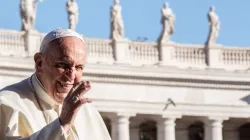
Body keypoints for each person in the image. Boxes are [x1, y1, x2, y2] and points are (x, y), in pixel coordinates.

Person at [0, 28, 111, 140]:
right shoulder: (6, 103)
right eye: (63, 65)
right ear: (39, 63)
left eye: (78, 67)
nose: (71, 76)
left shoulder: (88, 112)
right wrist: (62, 124)